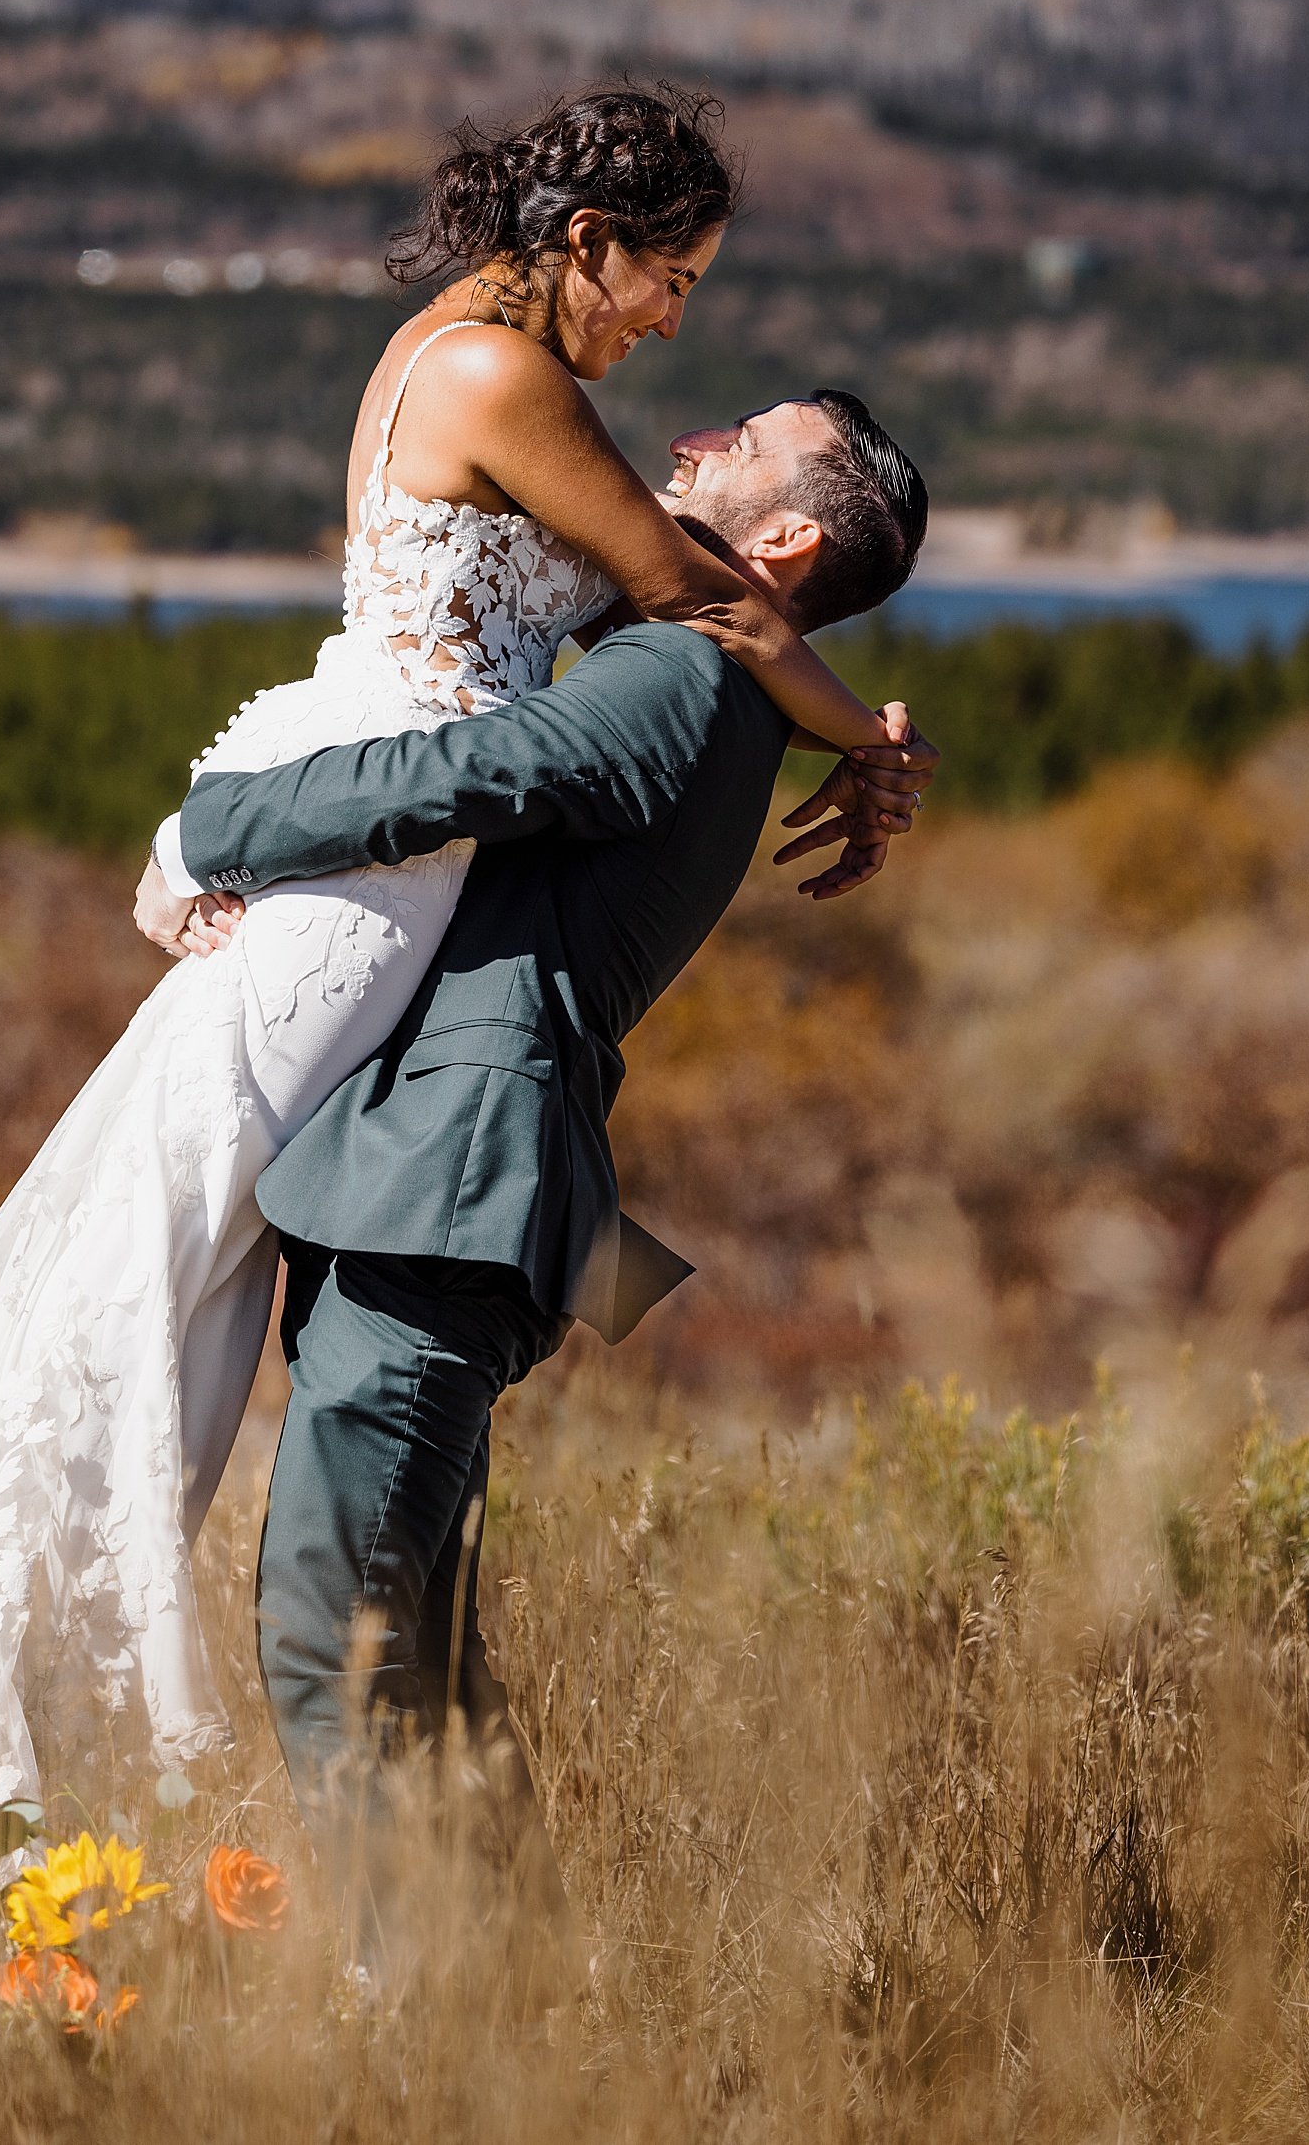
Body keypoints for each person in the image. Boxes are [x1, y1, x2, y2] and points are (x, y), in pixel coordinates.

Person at [0, 87, 927, 1995]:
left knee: (250, 1456)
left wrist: (855, 739)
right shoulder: (519, 408)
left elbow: (641, 654)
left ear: (790, 529)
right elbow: (680, 605)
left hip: (436, 1067)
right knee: (148, 1321)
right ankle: (11, 1771)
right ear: (587, 242)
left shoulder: (663, 642)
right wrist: (869, 742)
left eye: (712, 331)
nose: (681, 349)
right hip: (381, 958)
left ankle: (394, 1980)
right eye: (674, 283)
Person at [149, 393, 935, 1993]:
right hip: (442, 1184)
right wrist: (872, 731)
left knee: (329, 1629)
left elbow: (486, 768)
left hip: (454, 1180)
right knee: (419, 1653)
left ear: (779, 539)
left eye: (747, 438)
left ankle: (409, 2015)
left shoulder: (687, 673)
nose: (699, 436)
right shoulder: (720, 669)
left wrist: (211, 828)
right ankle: (523, 2018)